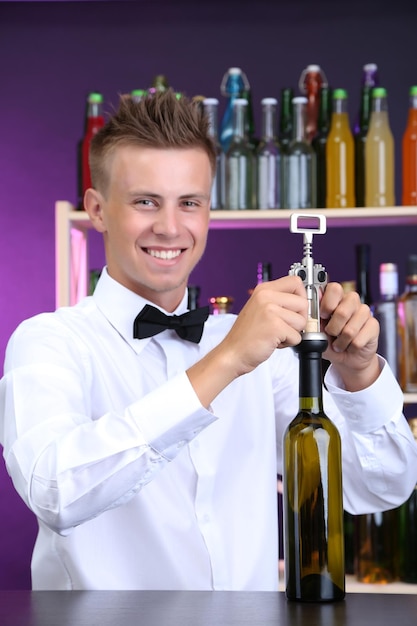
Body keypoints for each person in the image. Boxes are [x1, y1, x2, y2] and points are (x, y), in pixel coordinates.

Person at [1, 90, 416, 591]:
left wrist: (359, 375)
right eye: (145, 201)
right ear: (97, 209)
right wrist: (225, 362)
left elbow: (380, 487)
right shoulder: (49, 341)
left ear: (209, 211)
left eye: (189, 203)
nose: (170, 227)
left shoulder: (263, 356)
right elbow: (54, 490)